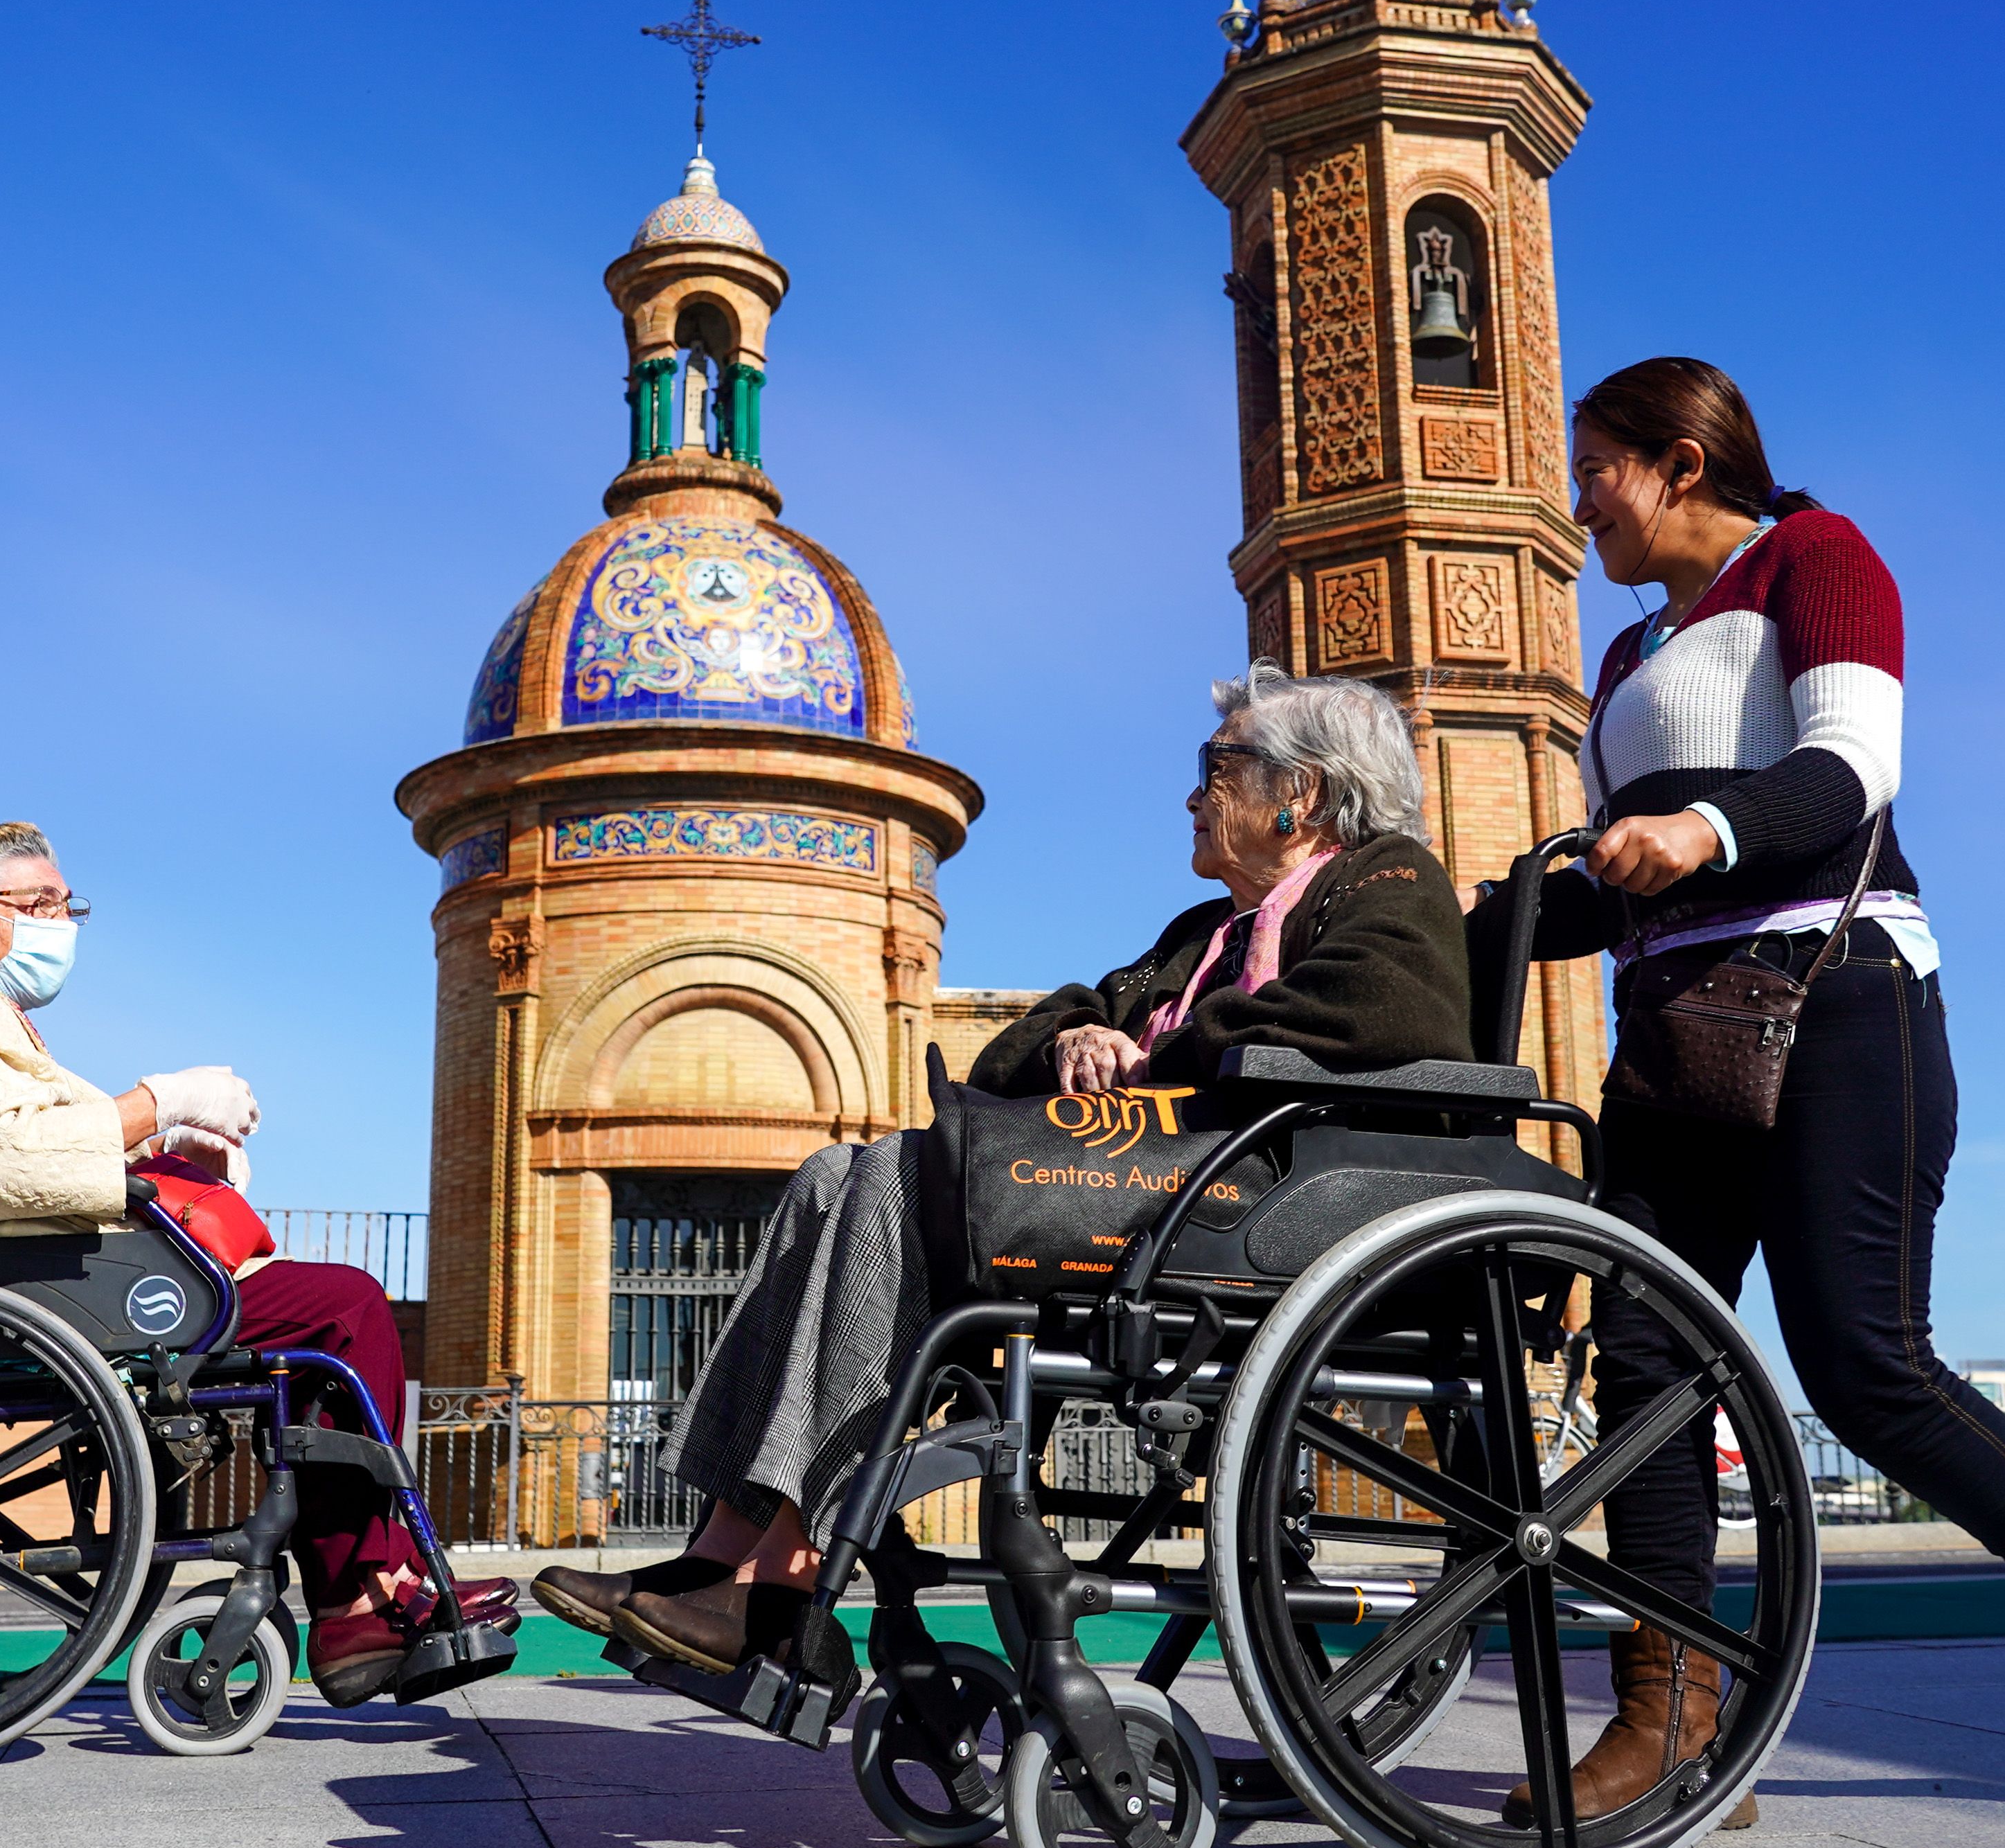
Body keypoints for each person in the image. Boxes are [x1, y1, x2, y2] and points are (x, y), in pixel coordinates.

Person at [1478, 356, 2005, 1821]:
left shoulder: (1818, 560)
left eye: (1599, 471)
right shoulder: (1627, 664)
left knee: (1863, 1362)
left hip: (1841, 1002)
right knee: (1641, 1357)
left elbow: (1847, 774)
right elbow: (1615, 888)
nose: (1581, 508)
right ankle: (1677, 1702)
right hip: (1680, 1029)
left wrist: (1699, 827)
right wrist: (1443, 929)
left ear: (1683, 461)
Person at [538, 666, 1471, 1676]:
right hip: (1158, 1192)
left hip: (1254, 1203)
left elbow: (1383, 1011)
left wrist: (1154, 1054)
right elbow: (1013, 1048)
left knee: (895, 1178)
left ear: (1302, 794)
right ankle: (719, 1553)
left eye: (1218, 765)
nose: (1193, 793)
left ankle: (787, 1578)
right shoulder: (1202, 938)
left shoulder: (1387, 880)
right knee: (826, 1174)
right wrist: (1077, 1037)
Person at [0, 824, 515, 1705]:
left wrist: (166, 1142)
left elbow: (40, 1149)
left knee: (330, 1316)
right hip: (38, 1279)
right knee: (347, 1307)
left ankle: (361, 1589)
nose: (62, 923)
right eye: (39, 904)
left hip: (48, 1267)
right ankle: (358, 1594)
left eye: (68, 905)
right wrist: (156, 1102)